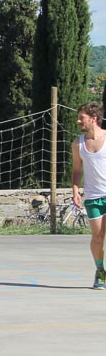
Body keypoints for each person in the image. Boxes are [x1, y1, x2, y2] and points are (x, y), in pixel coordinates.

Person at [71, 102, 106, 290]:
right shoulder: (78, 144)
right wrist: (75, 190)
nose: (78, 121)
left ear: (93, 118)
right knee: (98, 237)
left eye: (81, 118)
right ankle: (100, 271)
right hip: (93, 197)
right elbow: (77, 171)